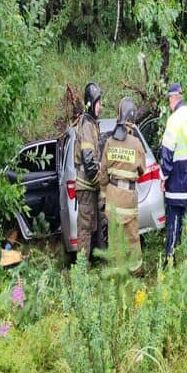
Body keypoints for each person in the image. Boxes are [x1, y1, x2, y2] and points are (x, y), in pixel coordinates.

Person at [99, 97, 146, 276]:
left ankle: (118, 276)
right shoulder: (136, 144)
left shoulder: (110, 142)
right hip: (128, 199)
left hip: (112, 199)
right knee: (133, 238)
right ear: (132, 118)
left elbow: (103, 173)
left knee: (115, 240)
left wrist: (103, 196)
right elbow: (142, 170)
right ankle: (136, 273)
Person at [160, 82, 187, 263]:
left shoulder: (174, 120)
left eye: (169, 98)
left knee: (173, 220)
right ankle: (182, 253)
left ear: (173, 98)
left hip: (175, 178)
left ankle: (170, 260)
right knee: (183, 218)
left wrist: (163, 177)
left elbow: (167, 152)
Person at [72, 82, 105, 265]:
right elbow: (88, 159)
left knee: (96, 225)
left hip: (90, 187)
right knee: (85, 229)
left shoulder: (92, 124)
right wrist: (99, 182)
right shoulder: (86, 124)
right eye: (98, 102)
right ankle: (81, 274)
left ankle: (98, 263)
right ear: (91, 103)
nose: (100, 106)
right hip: (86, 186)